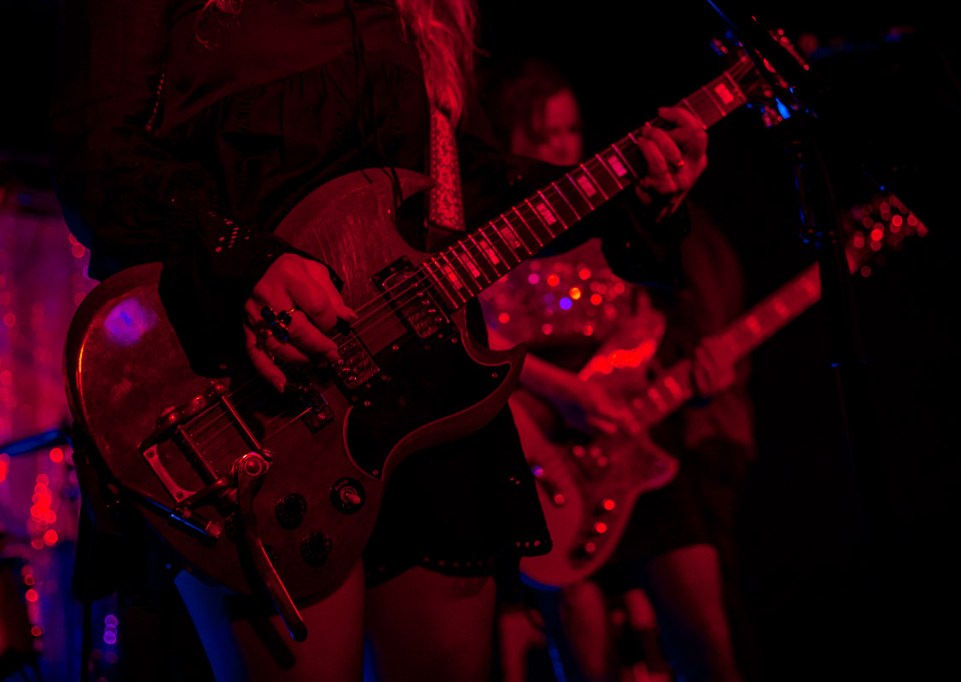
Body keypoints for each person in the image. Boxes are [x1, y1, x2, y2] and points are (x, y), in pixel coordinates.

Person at [47, 2, 710, 681]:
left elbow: (460, 182)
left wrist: (627, 190)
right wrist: (245, 262)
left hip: (428, 388)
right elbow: (98, 158)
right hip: (250, 393)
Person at [479, 57, 760, 682]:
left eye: (570, 131)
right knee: (582, 647)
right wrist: (566, 392)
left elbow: (661, 316)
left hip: (638, 443)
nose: (562, 146)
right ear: (509, 140)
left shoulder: (613, 216)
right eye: (542, 134)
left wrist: (706, 371)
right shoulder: (498, 233)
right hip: (546, 454)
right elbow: (482, 343)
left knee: (708, 639)